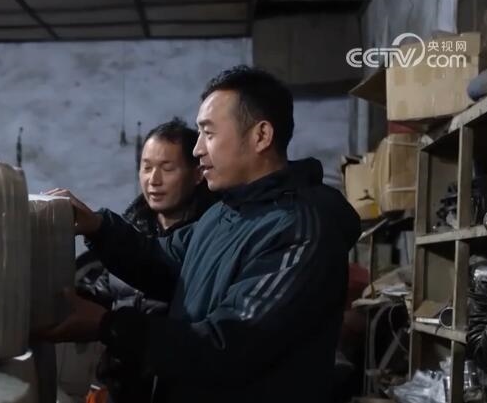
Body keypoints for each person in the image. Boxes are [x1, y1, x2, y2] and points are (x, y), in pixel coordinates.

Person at [42, 65, 360, 402]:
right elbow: (164, 261)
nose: (197, 150)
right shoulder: (226, 213)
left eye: (208, 133)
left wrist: (109, 325)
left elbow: (230, 345)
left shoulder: (299, 229)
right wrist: (98, 227)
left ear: (261, 136)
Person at [74, 118, 219, 403]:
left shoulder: (210, 236)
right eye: (147, 167)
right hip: (122, 387)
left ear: (197, 174)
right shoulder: (127, 233)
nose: (154, 180)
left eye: (167, 168)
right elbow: (105, 292)